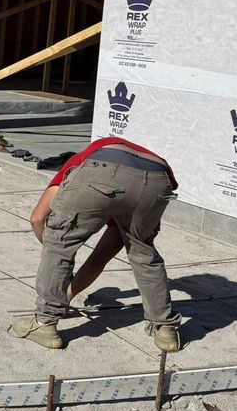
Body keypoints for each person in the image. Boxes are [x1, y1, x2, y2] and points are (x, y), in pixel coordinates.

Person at [9, 137, 182, 352]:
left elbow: (37, 219)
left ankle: (44, 324)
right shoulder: (121, 206)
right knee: (143, 252)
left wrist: (57, 260)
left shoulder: (79, 167)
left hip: (104, 170)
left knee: (59, 239)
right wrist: (66, 294)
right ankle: (165, 329)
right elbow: (99, 259)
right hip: (157, 180)